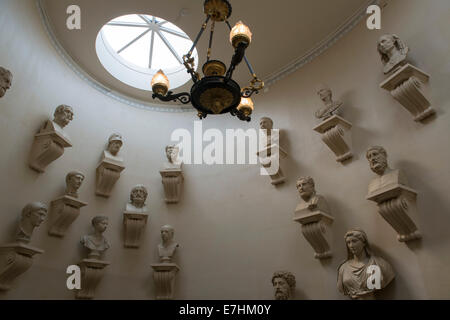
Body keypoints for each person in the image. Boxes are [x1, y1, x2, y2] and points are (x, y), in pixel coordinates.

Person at [337, 229, 395, 299]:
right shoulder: (343, 268)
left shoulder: (379, 264)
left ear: (364, 243)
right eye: (348, 243)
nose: (351, 245)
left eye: (354, 241)